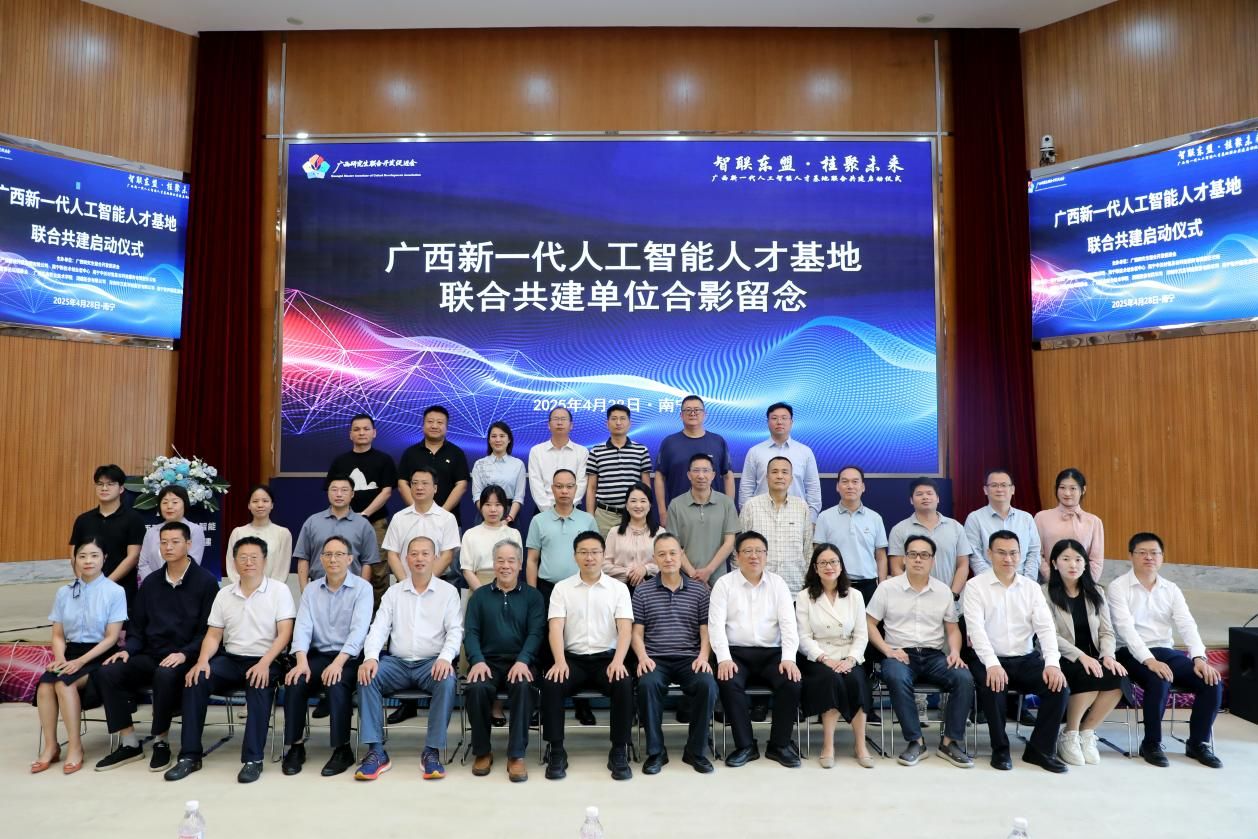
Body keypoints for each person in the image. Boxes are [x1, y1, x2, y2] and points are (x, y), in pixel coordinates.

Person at [165, 537, 296, 783]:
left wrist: (265, 663)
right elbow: (214, 635)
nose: (248, 562)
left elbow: (285, 633)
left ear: (264, 561)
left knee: (259, 683)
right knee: (196, 679)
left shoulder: (279, 591)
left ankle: (253, 760)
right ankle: (190, 756)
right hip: (231, 659)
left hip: (267, 658)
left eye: (254, 557)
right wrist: (202, 661)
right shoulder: (225, 594)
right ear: (234, 562)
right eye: (242, 558)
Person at [93, 522, 217, 773]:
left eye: (175, 542)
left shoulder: (205, 582)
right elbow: (138, 628)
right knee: (108, 671)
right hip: (151, 654)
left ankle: (161, 741)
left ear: (188, 544)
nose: (168, 547)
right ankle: (129, 742)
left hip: (185, 657)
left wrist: (185, 654)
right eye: (164, 542)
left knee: (165, 674)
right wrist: (128, 650)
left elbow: (208, 631)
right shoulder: (151, 583)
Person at [1109, 532, 1223, 768]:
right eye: (1142, 552)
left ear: (1162, 557)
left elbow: (1187, 624)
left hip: (1165, 650)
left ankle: (1198, 743)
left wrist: (1199, 658)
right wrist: (1149, 661)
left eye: (1154, 553)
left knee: (1211, 681)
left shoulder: (1171, 589)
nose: (1148, 557)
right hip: (1130, 653)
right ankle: (1151, 744)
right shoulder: (1118, 587)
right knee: (1159, 679)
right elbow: (1125, 629)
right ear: (1131, 556)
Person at [354, 536, 462, 781]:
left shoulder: (448, 592)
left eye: (425, 553)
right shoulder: (394, 592)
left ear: (435, 558)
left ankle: (432, 751)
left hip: (431, 663)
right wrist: (370, 658)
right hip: (397, 664)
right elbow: (378, 628)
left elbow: (455, 630)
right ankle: (376, 751)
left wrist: (445, 658)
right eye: (414, 554)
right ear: (406, 559)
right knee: (367, 676)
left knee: (447, 680)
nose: (419, 558)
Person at [963, 530, 1069, 773]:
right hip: (988, 658)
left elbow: (1046, 629)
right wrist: (992, 664)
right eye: (1001, 552)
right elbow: (976, 631)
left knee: (1059, 688)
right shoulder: (975, 586)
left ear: (1020, 555)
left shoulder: (1031, 588)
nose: (1008, 558)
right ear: (989, 554)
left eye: (1013, 553)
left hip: (1025, 658)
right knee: (993, 685)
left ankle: (1040, 750)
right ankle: (1000, 749)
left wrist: (1052, 664)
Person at [866, 534, 975, 769]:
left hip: (934, 655)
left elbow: (953, 629)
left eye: (924, 555)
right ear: (904, 558)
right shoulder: (887, 588)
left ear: (933, 560)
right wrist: (887, 650)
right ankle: (916, 742)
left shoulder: (943, 591)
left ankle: (949, 742)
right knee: (896, 676)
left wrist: (955, 652)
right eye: (913, 554)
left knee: (964, 677)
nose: (918, 559)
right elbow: (869, 623)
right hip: (900, 654)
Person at [540, 531, 635, 781]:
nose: (589, 557)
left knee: (624, 683)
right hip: (573, 660)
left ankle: (619, 750)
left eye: (594, 552)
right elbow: (555, 628)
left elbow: (625, 628)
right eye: (583, 552)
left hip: (608, 660)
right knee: (552, 683)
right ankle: (557, 751)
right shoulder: (562, 588)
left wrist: (618, 661)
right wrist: (559, 661)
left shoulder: (618, 589)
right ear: (575, 556)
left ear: (603, 555)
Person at [31, 538, 126, 774]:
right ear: (74, 560)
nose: (88, 561)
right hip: (70, 653)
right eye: (82, 556)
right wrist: (61, 659)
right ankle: (51, 746)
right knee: (44, 686)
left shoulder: (115, 591)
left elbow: (111, 638)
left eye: (94, 555)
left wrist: (80, 661)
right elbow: (58, 635)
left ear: (104, 558)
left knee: (63, 684)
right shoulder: (64, 592)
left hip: (100, 655)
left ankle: (75, 747)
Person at [709, 531, 803, 769]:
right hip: (736, 653)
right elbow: (715, 626)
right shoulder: (724, 584)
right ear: (737, 556)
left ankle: (779, 745)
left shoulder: (778, 584)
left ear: (766, 555)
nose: (754, 556)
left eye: (759, 551)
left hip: (772, 653)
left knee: (791, 682)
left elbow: (789, 625)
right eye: (748, 551)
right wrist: (723, 658)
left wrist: (789, 658)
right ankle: (745, 746)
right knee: (728, 681)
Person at [281, 535, 373, 777]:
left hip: (349, 657)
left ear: (350, 559)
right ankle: (295, 746)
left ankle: (342, 749)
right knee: (295, 680)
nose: (333, 559)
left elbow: (359, 631)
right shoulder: (311, 590)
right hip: (318, 655)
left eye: (339, 554)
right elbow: (302, 627)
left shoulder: (363, 588)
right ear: (321, 559)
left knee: (336, 682)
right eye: (328, 554)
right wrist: (301, 661)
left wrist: (338, 663)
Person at [632, 533, 718, 774]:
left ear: (681, 555)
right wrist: (643, 657)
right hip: (655, 659)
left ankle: (696, 751)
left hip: (690, 658)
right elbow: (636, 633)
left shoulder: (699, 591)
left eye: (673, 553)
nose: (668, 558)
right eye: (662, 554)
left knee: (707, 685)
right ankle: (656, 752)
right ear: (654, 559)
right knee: (647, 684)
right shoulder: (642, 591)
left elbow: (706, 630)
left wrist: (703, 657)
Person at [463, 540, 546, 782]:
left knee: (523, 686)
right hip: (487, 662)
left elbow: (536, 633)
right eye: (500, 560)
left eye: (511, 561)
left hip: (522, 661)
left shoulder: (533, 596)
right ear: (493, 563)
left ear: (520, 564)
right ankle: (482, 751)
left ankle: (516, 755)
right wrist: (477, 660)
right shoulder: (479, 597)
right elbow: (471, 633)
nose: (505, 565)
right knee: (476, 688)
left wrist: (523, 660)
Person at [1043, 538, 1126, 766]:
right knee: (1089, 674)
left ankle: (1086, 731)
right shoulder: (1044, 593)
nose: (1073, 565)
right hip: (1062, 657)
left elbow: (1107, 631)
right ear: (1054, 563)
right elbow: (1049, 635)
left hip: (1095, 656)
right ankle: (1069, 734)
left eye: (1078, 559)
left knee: (1118, 677)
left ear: (1085, 563)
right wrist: (1081, 656)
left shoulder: (1096, 592)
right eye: (1066, 559)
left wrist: (1107, 656)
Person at [795, 544, 873, 768]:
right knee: (831, 679)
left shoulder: (855, 595)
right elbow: (803, 637)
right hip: (818, 657)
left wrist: (851, 659)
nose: (829, 567)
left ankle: (860, 745)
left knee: (856, 680)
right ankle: (828, 745)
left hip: (848, 654)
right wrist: (825, 659)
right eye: (823, 563)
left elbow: (861, 635)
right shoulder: (804, 597)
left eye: (833, 562)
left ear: (841, 566)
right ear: (815, 568)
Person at [327, 413, 398, 607]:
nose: (361, 433)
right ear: (350, 434)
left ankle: (378, 615)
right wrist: (350, 516)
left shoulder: (384, 460)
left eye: (366, 429)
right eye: (356, 429)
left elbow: (386, 492)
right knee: (343, 565)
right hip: (343, 522)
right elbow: (333, 491)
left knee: (379, 571)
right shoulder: (340, 461)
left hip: (376, 522)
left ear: (374, 433)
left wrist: (364, 514)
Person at [68, 464, 144, 611]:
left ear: (121, 489)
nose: (104, 488)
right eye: (100, 484)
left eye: (110, 484)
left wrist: (105, 584)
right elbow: (74, 555)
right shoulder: (83, 519)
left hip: (121, 588)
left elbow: (133, 556)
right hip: (87, 589)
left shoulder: (134, 519)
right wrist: (84, 582)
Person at [813, 465, 888, 605]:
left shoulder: (875, 518)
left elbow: (881, 556)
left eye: (855, 481)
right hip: (835, 584)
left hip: (868, 586)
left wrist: (882, 587)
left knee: (868, 620)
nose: (850, 486)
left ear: (863, 487)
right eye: (845, 481)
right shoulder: (824, 517)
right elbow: (818, 553)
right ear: (837, 486)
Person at [292, 474, 380, 590]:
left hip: (352, 590)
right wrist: (305, 591)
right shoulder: (312, 522)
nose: (339, 494)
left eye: (344, 490)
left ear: (352, 494)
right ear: (328, 493)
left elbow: (367, 562)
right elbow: (303, 557)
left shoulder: (363, 525)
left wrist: (360, 591)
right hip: (318, 588)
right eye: (334, 490)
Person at [737, 402, 822, 521]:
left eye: (784, 418)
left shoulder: (805, 452)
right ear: (768, 422)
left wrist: (810, 520)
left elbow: (813, 488)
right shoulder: (755, 452)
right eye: (774, 418)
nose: (779, 422)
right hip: (761, 517)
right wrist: (748, 516)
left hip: (797, 517)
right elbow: (746, 487)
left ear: (791, 422)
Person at [888, 477, 971, 597]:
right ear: (911, 500)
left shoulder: (955, 527)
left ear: (938, 498)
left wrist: (952, 594)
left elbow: (963, 565)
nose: (925, 497)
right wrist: (912, 594)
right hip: (913, 598)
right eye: (919, 494)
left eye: (929, 493)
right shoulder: (899, 530)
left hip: (950, 597)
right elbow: (896, 568)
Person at [655, 395, 734, 521]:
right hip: (678, 512)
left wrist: (729, 509)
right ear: (681, 415)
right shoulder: (669, 442)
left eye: (697, 410)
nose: (693, 413)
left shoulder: (717, 441)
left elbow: (728, 476)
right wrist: (662, 512)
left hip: (714, 512)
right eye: (688, 410)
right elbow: (659, 477)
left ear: (704, 414)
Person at [739, 456, 811, 593]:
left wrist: (808, 584)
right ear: (767, 477)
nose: (779, 476)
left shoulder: (802, 507)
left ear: (791, 478)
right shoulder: (751, 506)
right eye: (774, 472)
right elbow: (738, 550)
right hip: (757, 588)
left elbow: (808, 551)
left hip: (795, 587)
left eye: (784, 472)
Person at [525, 469, 598, 603]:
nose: (564, 491)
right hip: (547, 589)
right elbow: (532, 560)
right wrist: (533, 595)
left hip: (581, 588)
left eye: (569, 486)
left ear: (576, 489)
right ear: (552, 489)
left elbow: (596, 558)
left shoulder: (588, 520)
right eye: (559, 486)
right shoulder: (538, 520)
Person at [668, 453, 738, 586]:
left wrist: (708, 570)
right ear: (689, 475)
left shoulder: (726, 503)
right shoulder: (676, 505)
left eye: (706, 470)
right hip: (685, 579)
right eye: (696, 470)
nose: (701, 475)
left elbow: (729, 543)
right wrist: (693, 575)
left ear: (713, 475)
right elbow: (673, 545)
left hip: (719, 579)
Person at [381, 466, 461, 581]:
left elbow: (447, 556)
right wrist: (406, 583)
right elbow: (392, 554)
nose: (419, 487)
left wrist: (425, 583)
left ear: (435, 488)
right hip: (404, 582)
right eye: (414, 483)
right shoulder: (399, 518)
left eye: (425, 483)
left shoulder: (447, 518)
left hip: (437, 582)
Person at [397, 404, 470, 525]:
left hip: (448, 520)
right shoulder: (410, 453)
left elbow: (461, 485)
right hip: (414, 519)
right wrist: (417, 511)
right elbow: (402, 483)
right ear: (423, 425)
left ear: (446, 427)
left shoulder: (457, 453)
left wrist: (441, 513)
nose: (434, 426)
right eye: (430, 421)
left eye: (440, 422)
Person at [585, 404, 652, 535]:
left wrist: (647, 513)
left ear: (629, 423)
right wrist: (590, 517)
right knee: (602, 548)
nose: (618, 422)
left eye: (622, 418)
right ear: (607, 423)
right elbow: (591, 488)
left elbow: (646, 486)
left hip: (634, 514)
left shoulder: (641, 450)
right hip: (605, 516)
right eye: (614, 419)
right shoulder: (596, 451)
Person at [964, 469, 1039, 580]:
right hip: (987, 583)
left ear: (1012, 489)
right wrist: (991, 580)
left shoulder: (1026, 518)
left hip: (1023, 581)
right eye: (994, 485)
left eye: (1004, 485)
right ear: (985, 490)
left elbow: (1034, 552)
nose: (999, 489)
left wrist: (1027, 581)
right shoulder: (975, 518)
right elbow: (974, 555)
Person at [1035, 467, 1104, 581]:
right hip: (1050, 583)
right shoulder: (1041, 517)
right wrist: (1052, 578)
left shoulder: (1094, 522)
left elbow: (1096, 560)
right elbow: (1037, 554)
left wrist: (1085, 584)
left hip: (1083, 585)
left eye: (1073, 488)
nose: (1067, 493)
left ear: (1083, 490)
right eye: (1062, 487)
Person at [136, 485, 208, 585]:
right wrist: (154, 584)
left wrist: (171, 584)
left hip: (183, 586)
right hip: (153, 587)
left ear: (185, 504)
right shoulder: (151, 532)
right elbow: (143, 564)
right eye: (165, 502)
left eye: (175, 502)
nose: (169, 506)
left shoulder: (195, 530)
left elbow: (193, 563)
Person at [225, 484, 293, 582]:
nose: (260, 505)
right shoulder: (238, 532)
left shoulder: (283, 533)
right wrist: (244, 587)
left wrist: (269, 589)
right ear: (249, 505)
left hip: (272, 590)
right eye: (255, 501)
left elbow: (282, 570)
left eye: (265, 501)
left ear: (272, 505)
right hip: (242, 589)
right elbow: (232, 567)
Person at [460, 484, 524, 590]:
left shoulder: (514, 534)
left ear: (504, 507)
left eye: (498, 504)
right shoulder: (470, 534)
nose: (493, 509)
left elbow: (517, 567)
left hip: (508, 589)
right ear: (481, 507)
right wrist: (483, 595)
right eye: (488, 504)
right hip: (478, 590)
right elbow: (467, 570)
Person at [527, 406, 589, 511]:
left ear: (571, 425)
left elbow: (581, 484)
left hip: (574, 510)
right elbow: (536, 484)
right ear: (548, 425)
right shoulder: (536, 451)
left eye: (563, 419)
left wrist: (567, 509)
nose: (559, 423)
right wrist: (548, 511)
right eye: (556, 419)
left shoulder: (582, 452)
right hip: (543, 511)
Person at [603, 481, 663, 587]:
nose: (638, 505)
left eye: (643, 501)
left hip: (652, 588)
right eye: (633, 501)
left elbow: (666, 564)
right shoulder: (614, 532)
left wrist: (646, 569)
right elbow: (604, 566)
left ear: (650, 505)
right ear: (626, 505)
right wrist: (629, 572)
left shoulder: (660, 533)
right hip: (619, 587)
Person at [470, 421, 526, 524]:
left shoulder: (518, 464)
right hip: (484, 515)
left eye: (502, 436)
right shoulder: (479, 464)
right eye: (494, 436)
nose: (498, 440)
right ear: (489, 440)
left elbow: (519, 497)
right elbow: (477, 495)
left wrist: (508, 519)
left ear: (509, 439)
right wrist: (486, 515)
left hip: (509, 516)